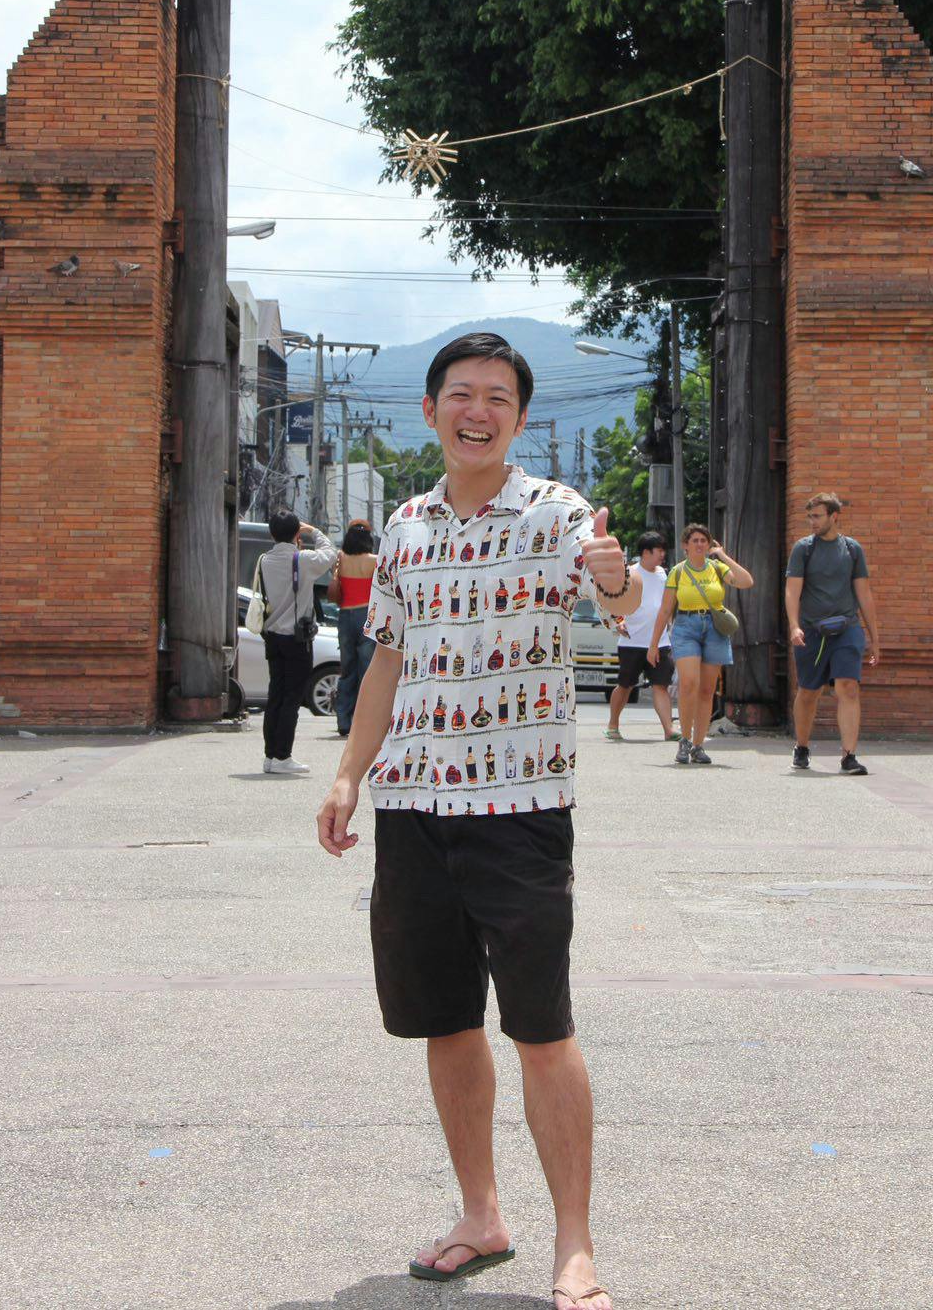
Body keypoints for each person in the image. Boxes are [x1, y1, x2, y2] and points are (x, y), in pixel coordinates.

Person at [317, 331, 642, 1310]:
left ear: (521, 417)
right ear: (431, 410)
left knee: (542, 1025)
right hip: (414, 810)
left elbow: (622, 603)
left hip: (521, 809)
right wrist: (347, 775)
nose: (479, 410)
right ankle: (480, 1213)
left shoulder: (557, 512)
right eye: (462, 393)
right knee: (446, 1021)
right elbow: (385, 660)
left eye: (498, 396)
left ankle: (575, 1245)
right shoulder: (404, 525)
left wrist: (615, 573)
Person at [785, 491, 879, 775]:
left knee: (848, 686)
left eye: (817, 516)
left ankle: (849, 756)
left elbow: (864, 594)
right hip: (812, 631)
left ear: (834, 516)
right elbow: (792, 590)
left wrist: (875, 638)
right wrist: (794, 625)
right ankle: (802, 746)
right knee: (808, 692)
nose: (812, 522)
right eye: (809, 517)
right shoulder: (803, 549)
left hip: (847, 628)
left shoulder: (852, 549)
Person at [647, 522, 753, 765]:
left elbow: (746, 581)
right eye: (694, 540)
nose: (699, 544)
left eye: (703, 540)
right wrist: (654, 644)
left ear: (709, 545)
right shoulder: (678, 572)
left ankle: (698, 744)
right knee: (689, 684)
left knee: (707, 690)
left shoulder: (717, 568)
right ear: (685, 545)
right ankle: (684, 740)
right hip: (686, 626)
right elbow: (665, 610)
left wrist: (723, 556)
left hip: (714, 627)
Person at [253, 510, 337, 777]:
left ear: (272, 533)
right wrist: (314, 531)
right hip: (296, 638)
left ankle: (271, 756)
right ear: (296, 534)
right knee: (292, 698)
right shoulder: (303, 559)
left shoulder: (264, 560)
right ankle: (282, 756)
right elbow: (330, 554)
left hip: (272, 636)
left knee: (276, 696)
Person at [605, 531, 676, 742]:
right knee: (625, 685)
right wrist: (616, 621)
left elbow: (667, 604)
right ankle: (613, 724)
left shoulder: (664, 574)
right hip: (632, 641)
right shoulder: (628, 573)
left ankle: (669, 730)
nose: (662, 554)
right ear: (646, 552)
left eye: (663, 550)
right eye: (659, 550)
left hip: (660, 641)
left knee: (660, 685)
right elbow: (609, 598)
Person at [329, 518, 377, 739]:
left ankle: (343, 720)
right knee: (366, 671)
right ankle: (363, 721)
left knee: (347, 670)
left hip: (345, 616)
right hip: (367, 616)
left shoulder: (341, 558)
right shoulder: (374, 561)